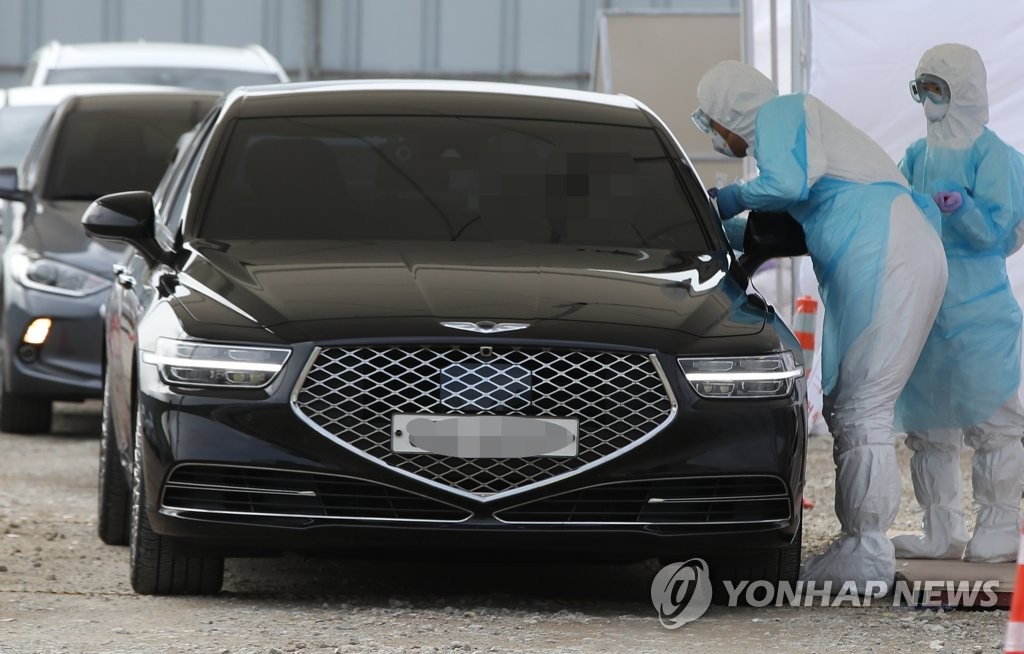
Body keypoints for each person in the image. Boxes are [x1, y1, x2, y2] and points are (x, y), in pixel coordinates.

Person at [692, 60, 947, 593]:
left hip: (884, 252)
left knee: (860, 407)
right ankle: (861, 545)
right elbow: (782, 223)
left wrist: (726, 199)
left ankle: (866, 552)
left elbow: (785, 185)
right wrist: (721, 227)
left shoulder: (782, 113)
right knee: (853, 405)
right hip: (895, 246)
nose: (714, 136)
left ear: (730, 111)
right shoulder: (803, 136)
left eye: (711, 123)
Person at [892, 43, 1024, 563]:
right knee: (929, 428)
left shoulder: (996, 156)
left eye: (937, 89)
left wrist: (964, 210)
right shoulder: (915, 155)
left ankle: (1000, 528)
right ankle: (940, 531)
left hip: (978, 308)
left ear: (963, 91)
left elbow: (997, 235)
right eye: (921, 89)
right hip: (927, 305)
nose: (928, 101)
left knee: (995, 422)